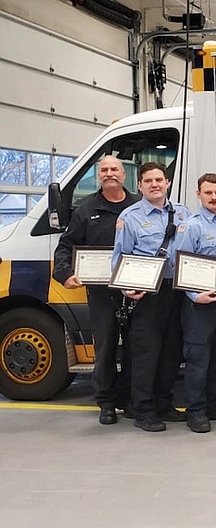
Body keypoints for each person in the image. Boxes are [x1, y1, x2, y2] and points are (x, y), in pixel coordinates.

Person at [52, 155, 139, 425]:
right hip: (102, 293)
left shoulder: (138, 206)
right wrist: (65, 273)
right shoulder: (86, 208)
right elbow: (66, 246)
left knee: (136, 348)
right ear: (98, 176)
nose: (110, 173)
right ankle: (107, 402)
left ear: (125, 175)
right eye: (104, 170)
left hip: (136, 290)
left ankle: (132, 399)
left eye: (115, 169)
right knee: (105, 348)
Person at [111, 162, 191, 432]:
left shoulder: (183, 213)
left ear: (167, 182)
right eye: (149, 181)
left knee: (171, 352)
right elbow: (119, 257)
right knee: (147, 353)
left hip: (177, 290)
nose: (155, 184)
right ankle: (143, 409)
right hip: (145, 294)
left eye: (159, 179)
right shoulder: (129, 217)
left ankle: (164, 403)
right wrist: (126, 288)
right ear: (140, 186)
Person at [173, 173, 216, 433]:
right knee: (198, 357)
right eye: (208, 193)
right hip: (198, 301)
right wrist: (193, 295)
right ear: (198, 194)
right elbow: (179, 264)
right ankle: (196, 410)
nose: (213, 197)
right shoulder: (190, 226)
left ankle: (215, 405)